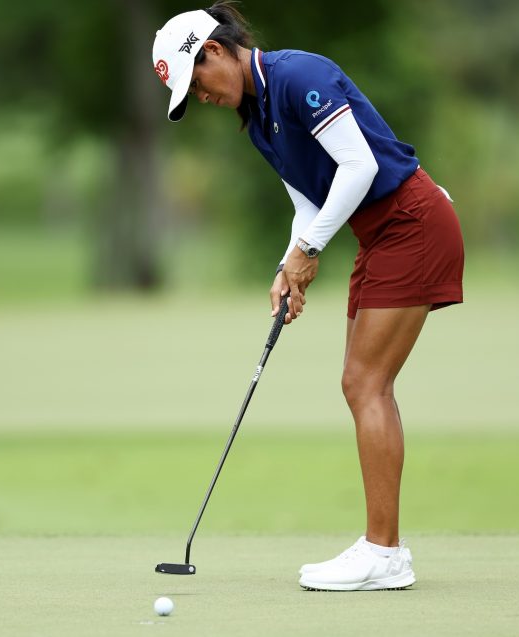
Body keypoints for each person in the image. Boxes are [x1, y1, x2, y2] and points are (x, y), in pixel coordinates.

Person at [152, 2, 464, 592]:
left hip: (413, 223)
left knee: (365, 383)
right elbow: (309, 204)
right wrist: (288, 265)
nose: (202, 97)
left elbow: (359, 165)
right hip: (380, 234)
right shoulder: (259, 116)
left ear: (214, 51)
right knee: (361, 382)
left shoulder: (298, 77)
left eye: (196, 82)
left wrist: (310, 250)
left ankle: (384, 553)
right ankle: (384, 550)